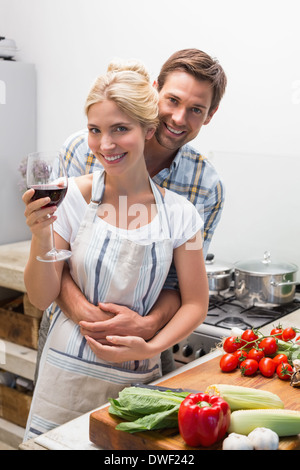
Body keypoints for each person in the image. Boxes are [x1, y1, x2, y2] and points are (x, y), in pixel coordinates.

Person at [22, 59, 209, 440]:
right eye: (95, 130)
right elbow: (42, 297)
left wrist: (149, 345)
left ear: (148, 130)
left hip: (137, 381)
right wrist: (41, 236)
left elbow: (195, 303)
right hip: (64, 377)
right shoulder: (72, 195)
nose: (104, 145)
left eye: (120, 129)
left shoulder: (182, 214)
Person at [36, 48, 227, 378]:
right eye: (173, 100)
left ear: (210, 114)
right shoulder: (83, 151)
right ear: (154, 91)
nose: (180, 118)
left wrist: (147, 328)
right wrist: (86, 313)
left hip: (146, 340)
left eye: (196, 109)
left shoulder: (204, 187)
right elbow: (53, 255)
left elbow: (182, 287)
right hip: (68, 331)